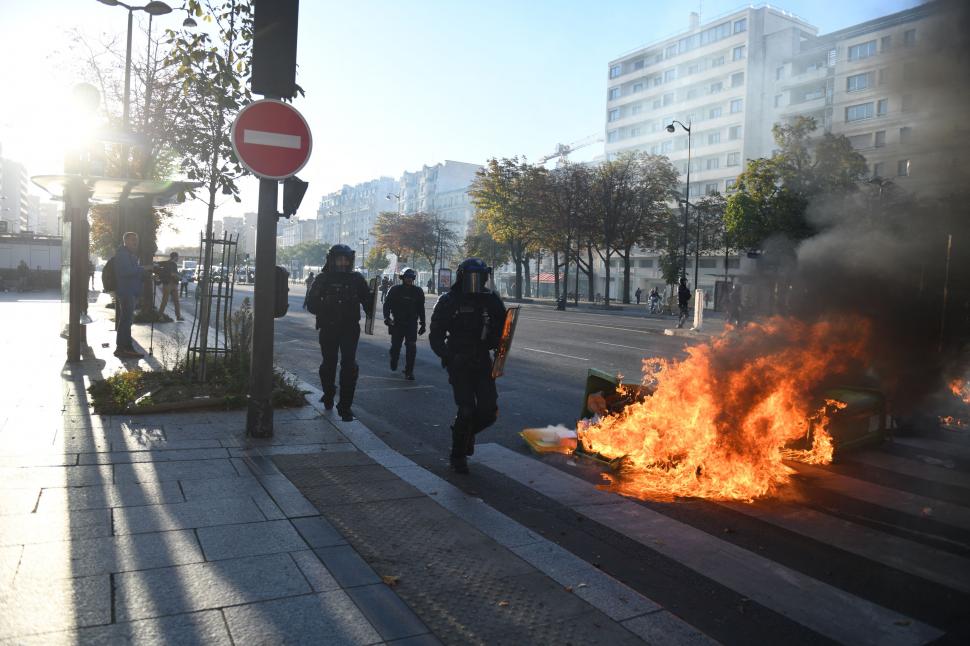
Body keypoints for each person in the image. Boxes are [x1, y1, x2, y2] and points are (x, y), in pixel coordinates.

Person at [429, 258, 507, 473]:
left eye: (480, 277)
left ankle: (466, 434)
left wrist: (497, 344)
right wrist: (448, 356)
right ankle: (458, 455)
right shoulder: (449, 300)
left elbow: (503, 329)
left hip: (481, 359)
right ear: (462, 277)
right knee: (466, 409)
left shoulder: (491, 300)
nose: (476, 281)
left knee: (489, 411)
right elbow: (436, 335)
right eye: (472, 277)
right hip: (459, 360)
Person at [305, 244, 373, 421]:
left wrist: (371, 301)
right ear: (332, 260)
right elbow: (311, 304)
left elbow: (367, 302)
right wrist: (327, 305)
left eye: (346, 259)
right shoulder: (323, 279)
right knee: (329, 364)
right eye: (339, 259)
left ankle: (345, 406)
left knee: (349, 366)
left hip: (350, 328)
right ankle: (328, 393)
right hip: (329, 327)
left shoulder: (357, 279)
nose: (343, 263)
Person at [383, 267, 426, 380]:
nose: (409, 279)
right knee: (395, 347)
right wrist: (387, 318)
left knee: (411, 347)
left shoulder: (418, 291)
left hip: (411, 323)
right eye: (407, 277)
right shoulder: (394, 290)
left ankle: (409, 371)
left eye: (411, 277)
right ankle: (394, 359)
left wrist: (423, 323)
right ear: (402, 278)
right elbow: (387, 305)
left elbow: (421, 309)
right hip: (397, 323)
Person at [113, 232, 148, 358]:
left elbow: (132, 272)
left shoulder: (128, 254)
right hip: (126, 291)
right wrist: (143, 269)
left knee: (126, 320)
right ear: (125, 241)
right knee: (126, 321)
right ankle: (123, 348)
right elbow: (126, 272)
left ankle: (124, 347)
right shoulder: (123, 255)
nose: (135, 242)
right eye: (132, 239)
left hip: (129, 291)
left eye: (136, 239)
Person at [156, 251, 183, 321]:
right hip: (168, 284)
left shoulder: (172, 264)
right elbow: (171, 274)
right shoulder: (167, 263)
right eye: (177, 257)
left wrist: (177, 276)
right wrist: (175, 275)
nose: (178, 258)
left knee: (175, 301)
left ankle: (178, 316)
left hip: (173, 284)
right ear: (175, 257)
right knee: (166, 301)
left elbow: (174, 273)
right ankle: (160, 315)